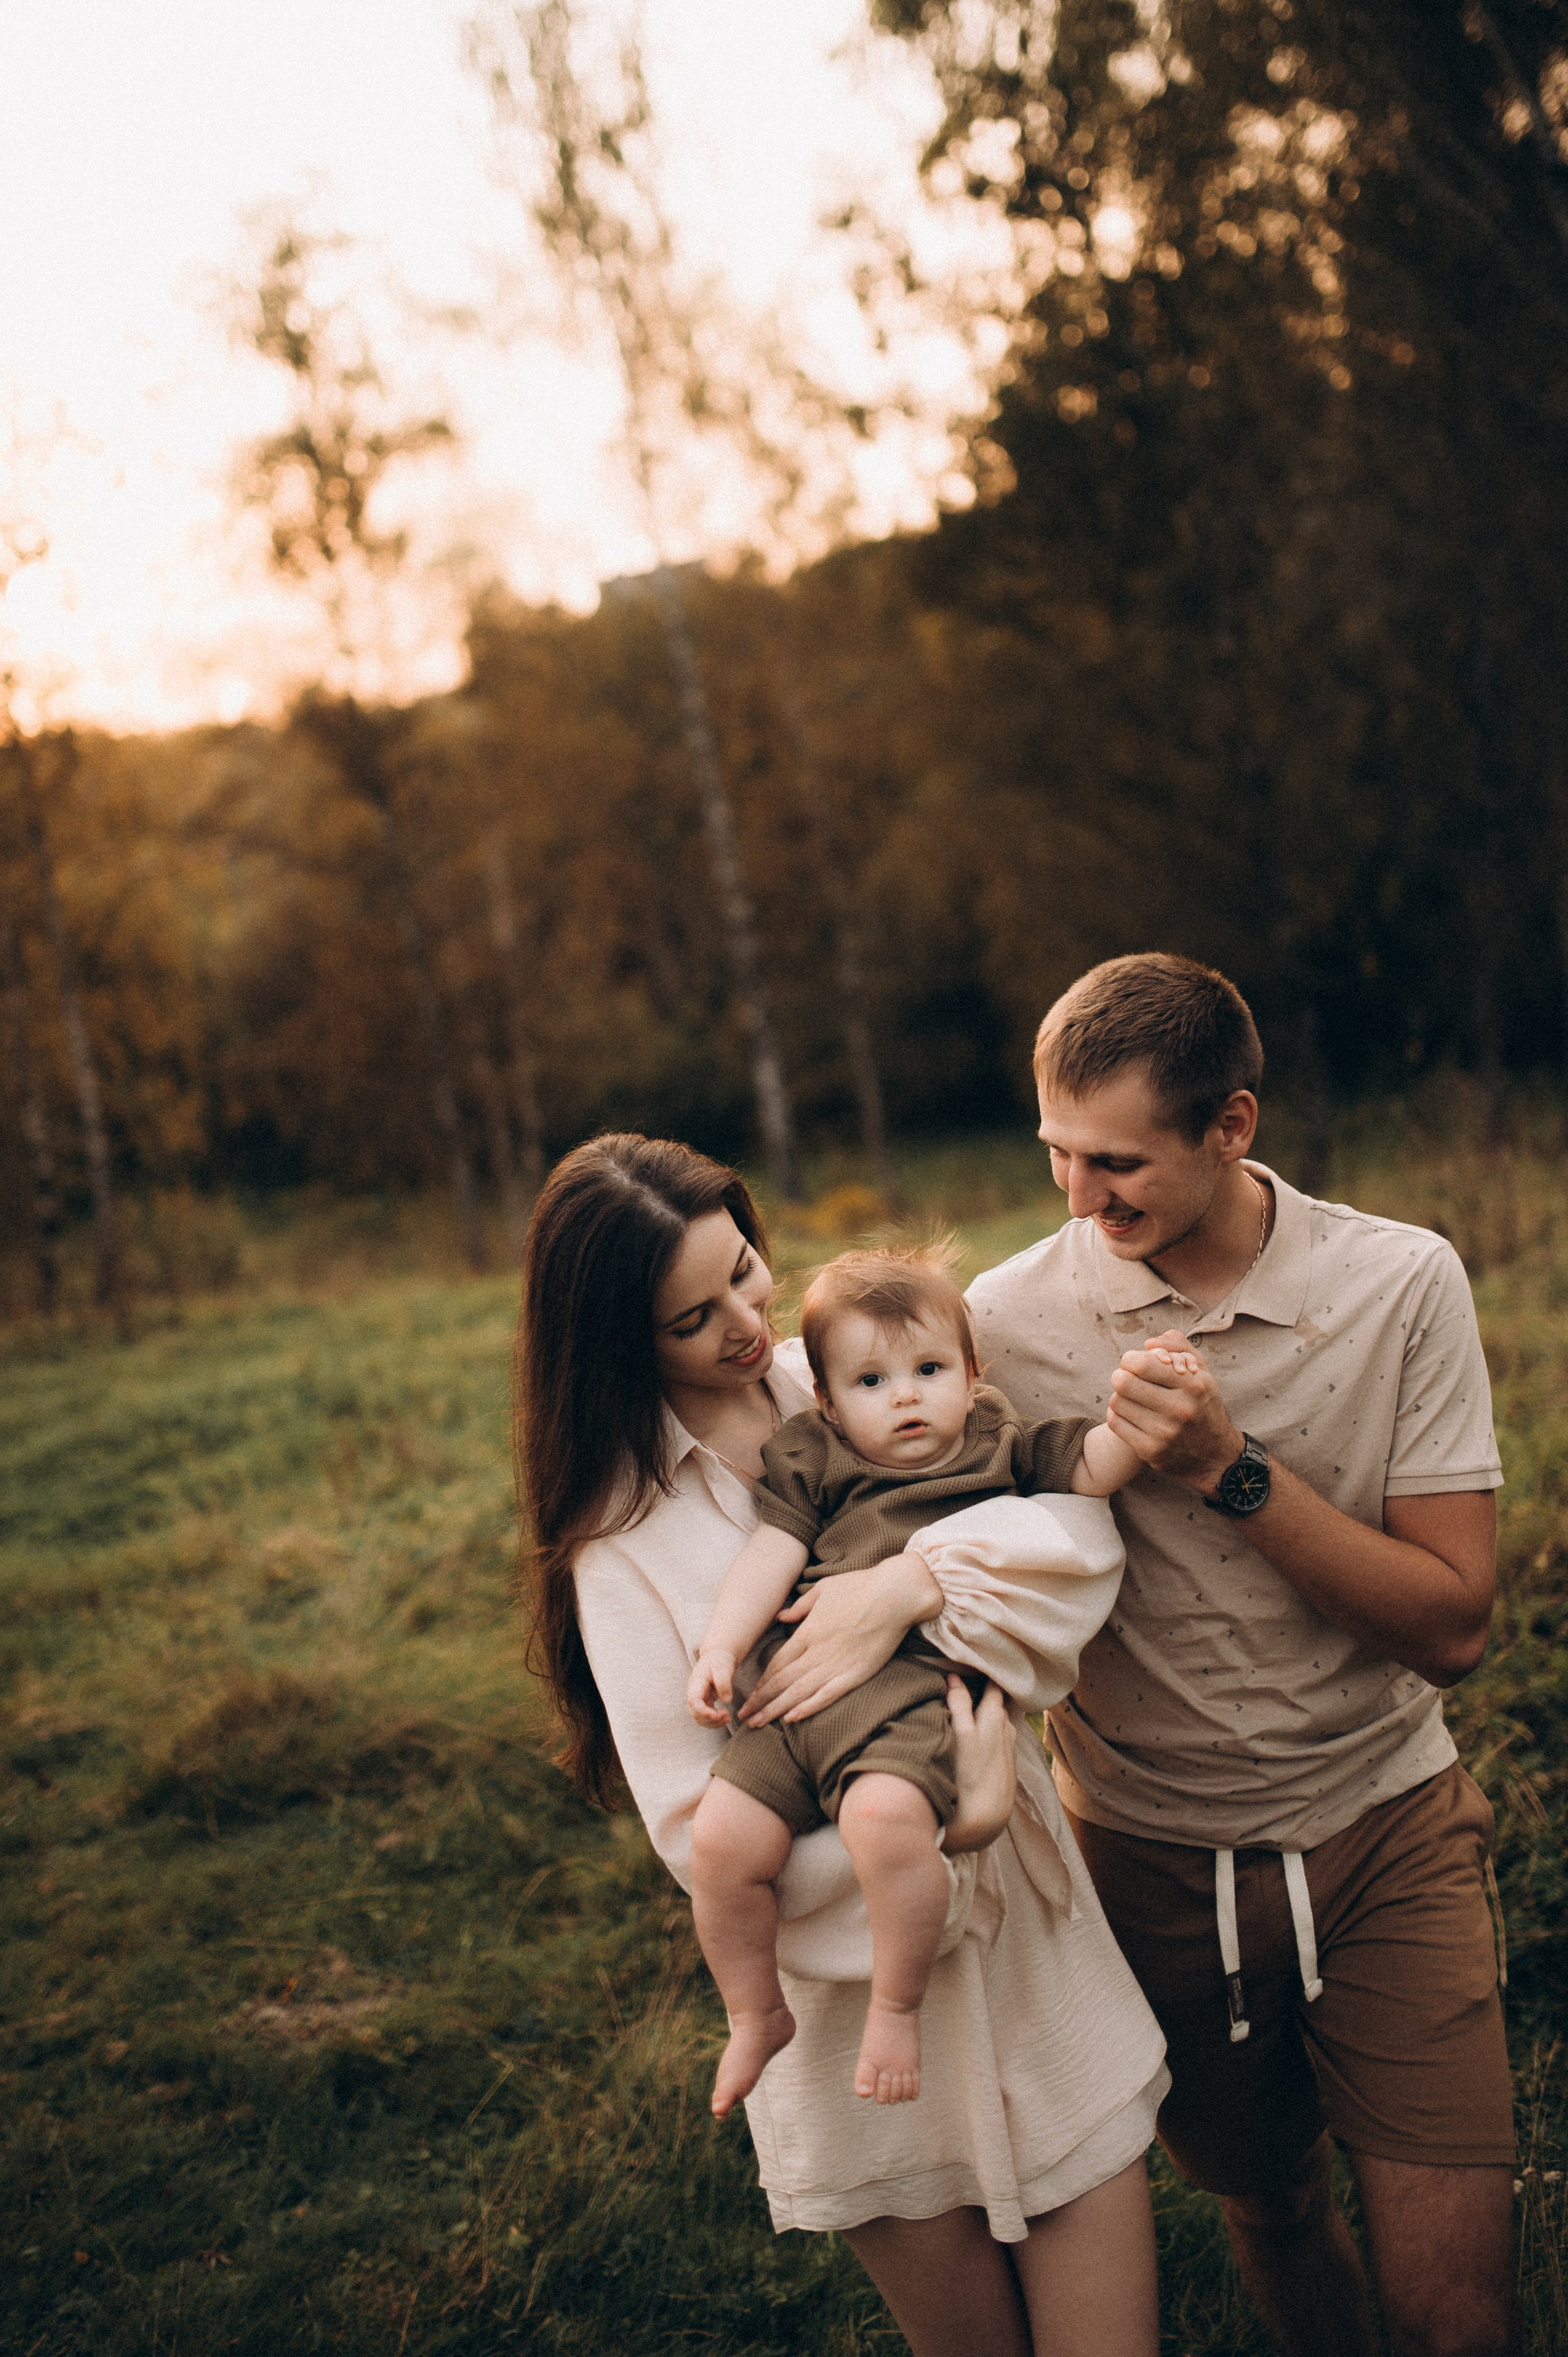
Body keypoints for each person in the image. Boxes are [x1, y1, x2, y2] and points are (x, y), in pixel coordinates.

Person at [515, 1133, 1169, 2357]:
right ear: (616, 1341)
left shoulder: (863, 1367)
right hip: (848, 2018)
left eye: (746, 1271)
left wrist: (913, 1584)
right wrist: (941, 1832)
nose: (744, 1325)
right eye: (690, 1317)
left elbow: (1073, 1547)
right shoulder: (623, 1542)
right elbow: (688, 1825)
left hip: (1031, 1955)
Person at [962, 952, 1517, 2357]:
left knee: (1459, 2317)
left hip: (1384, 1823)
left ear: (1231, 1126)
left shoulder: (1398, 1284)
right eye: (1056, 1156)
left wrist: (1231, 1472)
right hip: (1144, 1854)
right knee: (1266, 2212)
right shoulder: (1002, 1320)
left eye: (1117, 1163)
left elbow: (1453, 1623)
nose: (1080, 1202)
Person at [686, 1244, 1195, 2116]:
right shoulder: (816, 1460)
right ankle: (753, 2011)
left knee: (886, 1827)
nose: (907, 1396)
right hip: (796, 1699)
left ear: (971, 1372)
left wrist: (1146, 1415)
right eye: (872, 1382)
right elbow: (772, 1552)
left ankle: (895, 2007)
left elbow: (1091, 1469)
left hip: (913, 1700)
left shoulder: (998, 1442)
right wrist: (720, 1649)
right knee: (721, 1845)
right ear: (830, 1405)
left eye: (928, 1369)